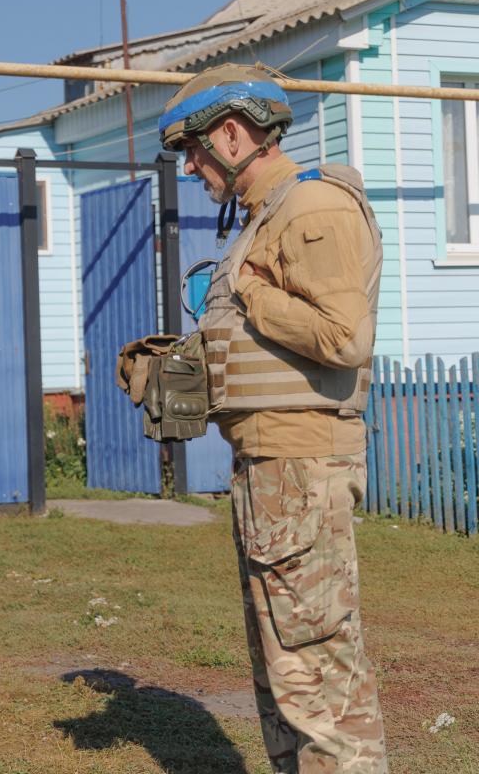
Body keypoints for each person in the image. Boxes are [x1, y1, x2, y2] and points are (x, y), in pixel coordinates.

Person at [159, 64, 388, 772]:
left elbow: (344, 337)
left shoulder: (312, 209)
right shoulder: (265, 217)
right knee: (286, 677)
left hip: (300, 470)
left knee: (317, 680)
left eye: (195, 149)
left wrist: (252, 297)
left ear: (232, 133)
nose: (192, 166)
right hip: (271, 469)